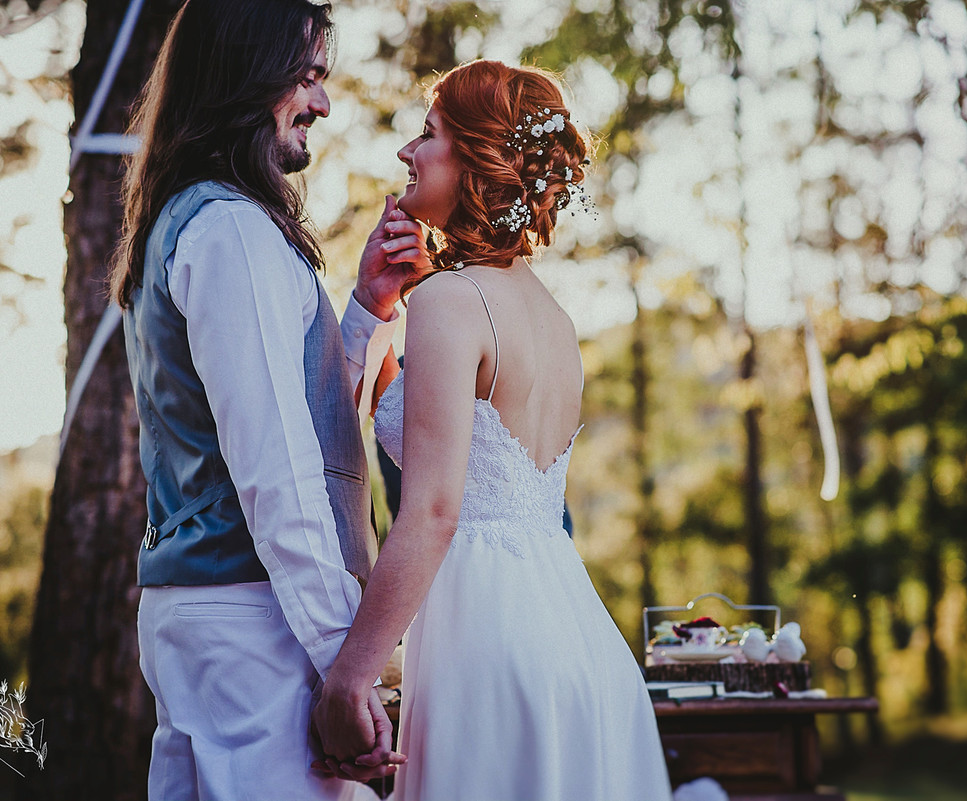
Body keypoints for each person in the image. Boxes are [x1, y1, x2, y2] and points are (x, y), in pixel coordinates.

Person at [311, 60, 673, 801]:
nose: (407, 153)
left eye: (429, 133)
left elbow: (437, 508)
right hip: (575, 636)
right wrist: (383, 302)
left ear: (477, 161)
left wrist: (350, 675)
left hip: (489, 646)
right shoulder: (554, 318)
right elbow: (422, 432)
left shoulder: (451, 301)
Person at [112, 1, 418, 797]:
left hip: (218, 612)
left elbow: (301, 418)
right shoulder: (231, 232)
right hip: (255, 617)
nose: (322, 103)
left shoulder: (200, 222)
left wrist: (369, 307)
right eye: (309, 78)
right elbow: (277, 470)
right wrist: (343, 665)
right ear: (248, 73)